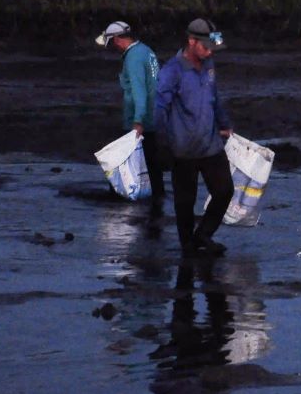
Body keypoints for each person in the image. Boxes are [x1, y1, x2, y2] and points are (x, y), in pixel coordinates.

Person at [155, 18, 234, 257]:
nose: (210, 52)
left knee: (224, 191)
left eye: (212, 48)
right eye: (206, 47)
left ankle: (204, 234)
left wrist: (224, 124)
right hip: (183, 149)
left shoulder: (209, 65)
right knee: (184, 202)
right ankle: (187, 246)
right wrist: (163, 144)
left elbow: (214, 97)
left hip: (210, 144)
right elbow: (159, 108)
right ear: (191, 41)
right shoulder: (172, 72)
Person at [96, 20, 166, 212]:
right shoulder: (146, 51)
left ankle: (120, 201)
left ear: (118, 39)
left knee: (123, 162)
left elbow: (139, 91)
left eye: (112, 43)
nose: (113, 48)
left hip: (138, 119)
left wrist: (137, 121)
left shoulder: (133, 58)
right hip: (153, 116)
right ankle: (157, 204)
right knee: (152, 164)